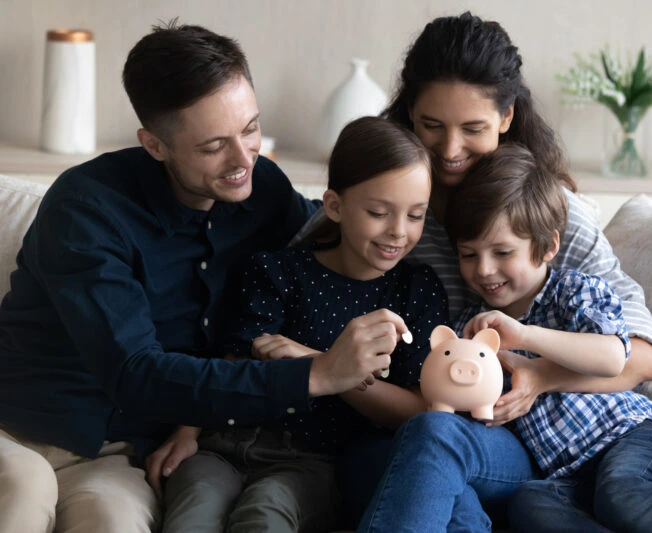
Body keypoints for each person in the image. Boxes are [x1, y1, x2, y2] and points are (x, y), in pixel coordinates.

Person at [0, 23, 397, 533]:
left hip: (117, 457)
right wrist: (316, 375)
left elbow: (344, 227)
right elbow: (135, 373)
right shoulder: (85, 209)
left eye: (250, 128)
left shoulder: (262, 190)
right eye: (213, 146)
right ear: (155, 144)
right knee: (22, 497)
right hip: (17, 429)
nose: (243, 158)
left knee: (114, 524)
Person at [341, 11, 652, 528]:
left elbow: (641, 356)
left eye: (473, 129)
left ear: (507, 117)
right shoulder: (383, 199)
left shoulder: (548, 215)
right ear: (408, 116)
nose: (450, 151)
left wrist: (539, 377)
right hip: (409, 424)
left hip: (502, 438)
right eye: (431, 126)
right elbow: (308, 252)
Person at [146, 116, 448, 533]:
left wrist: (323, 363)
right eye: (379, 212)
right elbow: (233, 358)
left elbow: (418, 412)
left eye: (416, 216)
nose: (398, 231)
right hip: (222, 444)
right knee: (193, 516)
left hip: (310, 461)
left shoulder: (416, 291)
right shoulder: (278, 271)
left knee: (264, 519)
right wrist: (186, 431)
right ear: (335, 206)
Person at [444, 145, 652, 533]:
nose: (484, 269)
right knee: (527, 503)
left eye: (502, 252)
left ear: (548, 247)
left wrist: (525, 334)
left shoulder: (574, 292)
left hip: (633, 442)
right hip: (566, 478)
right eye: (468, 255)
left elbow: (612, 357)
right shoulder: (470, 327)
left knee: (621, 494)